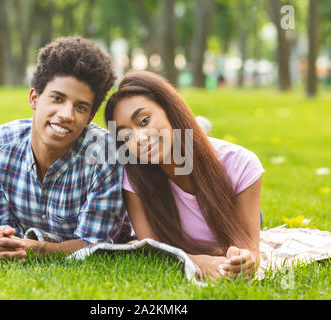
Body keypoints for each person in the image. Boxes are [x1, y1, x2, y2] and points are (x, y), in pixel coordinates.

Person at [0, 36, 130, 264]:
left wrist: (33, 248)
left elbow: (92, 245)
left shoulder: (106, 157)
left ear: (90, 118)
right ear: (34, 98)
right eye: (57, 98)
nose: (67, 114)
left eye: (80, 107)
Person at [104, 70, 264, 281]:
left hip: (226, 203)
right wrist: (199, 262)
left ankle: (200, 129)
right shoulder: (132, 178)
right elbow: (153, 249)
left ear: (170, 109)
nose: (140, 139)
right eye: (126, 136)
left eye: (144, 121)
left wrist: (244, 259)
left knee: (257, 217)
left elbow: (250, 251)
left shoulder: (242, 164)